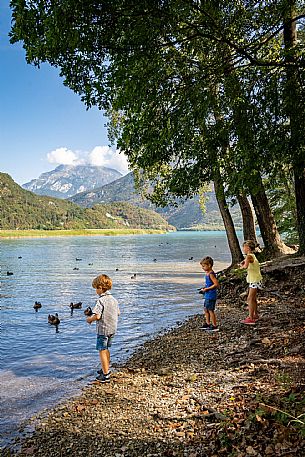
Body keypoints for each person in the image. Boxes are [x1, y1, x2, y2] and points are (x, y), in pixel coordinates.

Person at [86, 274, 120, 382]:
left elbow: (97, 316)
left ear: (100, 288)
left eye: (96, 288)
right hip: (112, 329)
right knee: (106, 349)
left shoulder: (100, 301)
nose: (96, 291)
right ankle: (106, 368)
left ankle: (105, 375)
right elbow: (118, 313)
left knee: (102, 350)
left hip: (103, 330)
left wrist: (90, 320)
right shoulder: (114, 300)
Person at [239, 240, 263, 325]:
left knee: (249, 299)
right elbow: (248, 263)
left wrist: (241, 266)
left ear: (248, 248)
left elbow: (245, 267)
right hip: (255, 279)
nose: (243, 249)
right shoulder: (251, 255)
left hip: (254, 280)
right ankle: (255, 315)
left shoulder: (249, 256)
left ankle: (251, 318)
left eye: (244, 247)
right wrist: (244, 262)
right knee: (253, 298)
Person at [199, 256, 220, 332]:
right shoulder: (207, 273)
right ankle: (207, 323)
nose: (202, 268)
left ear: (209, 265)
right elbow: (209, 284)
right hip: (207, 294)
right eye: (202, 266)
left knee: (210, 310)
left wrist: (207, 289)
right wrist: (204, 288)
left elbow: (216, 284)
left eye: (204, 266)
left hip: (211, 295)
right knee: (206, 309)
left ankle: (214, 325)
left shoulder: (211, 274)